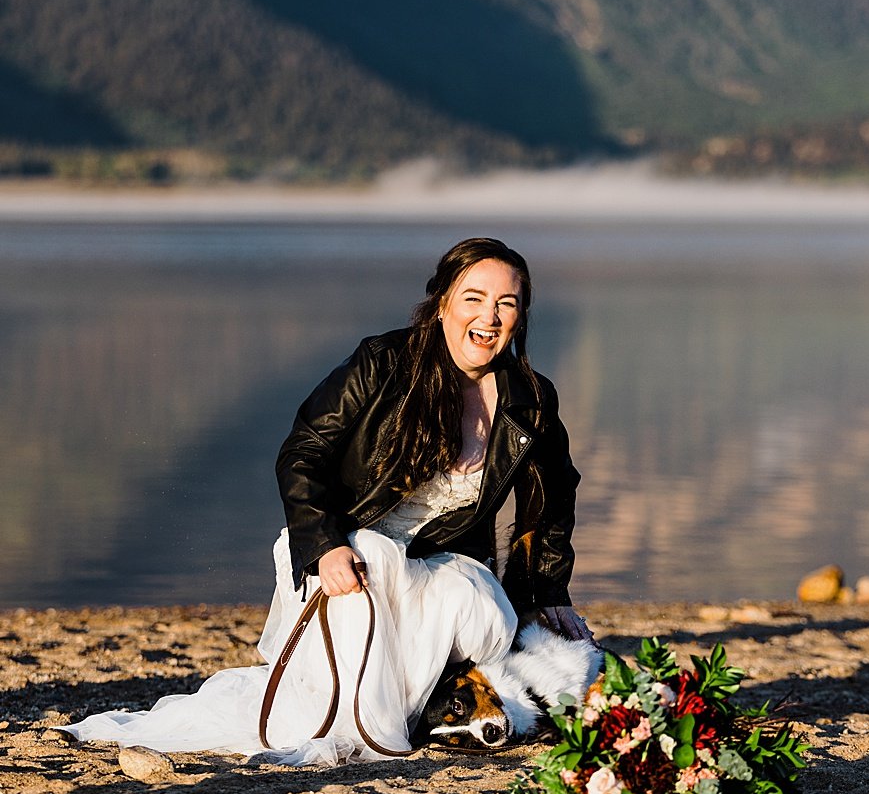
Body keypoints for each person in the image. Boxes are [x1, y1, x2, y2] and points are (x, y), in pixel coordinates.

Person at [61, 237, 589, 763]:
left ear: (521, 316)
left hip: (439, 566)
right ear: (443, 303)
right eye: (474, 297)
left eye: (507, 303)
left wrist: (549, 591)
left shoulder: (531, 399)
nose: (489, 316)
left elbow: (552, 497)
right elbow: (302, 453)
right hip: (351, 550)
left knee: (484, 615)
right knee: (343, 693)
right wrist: (324, 544)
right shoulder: (382, 364)